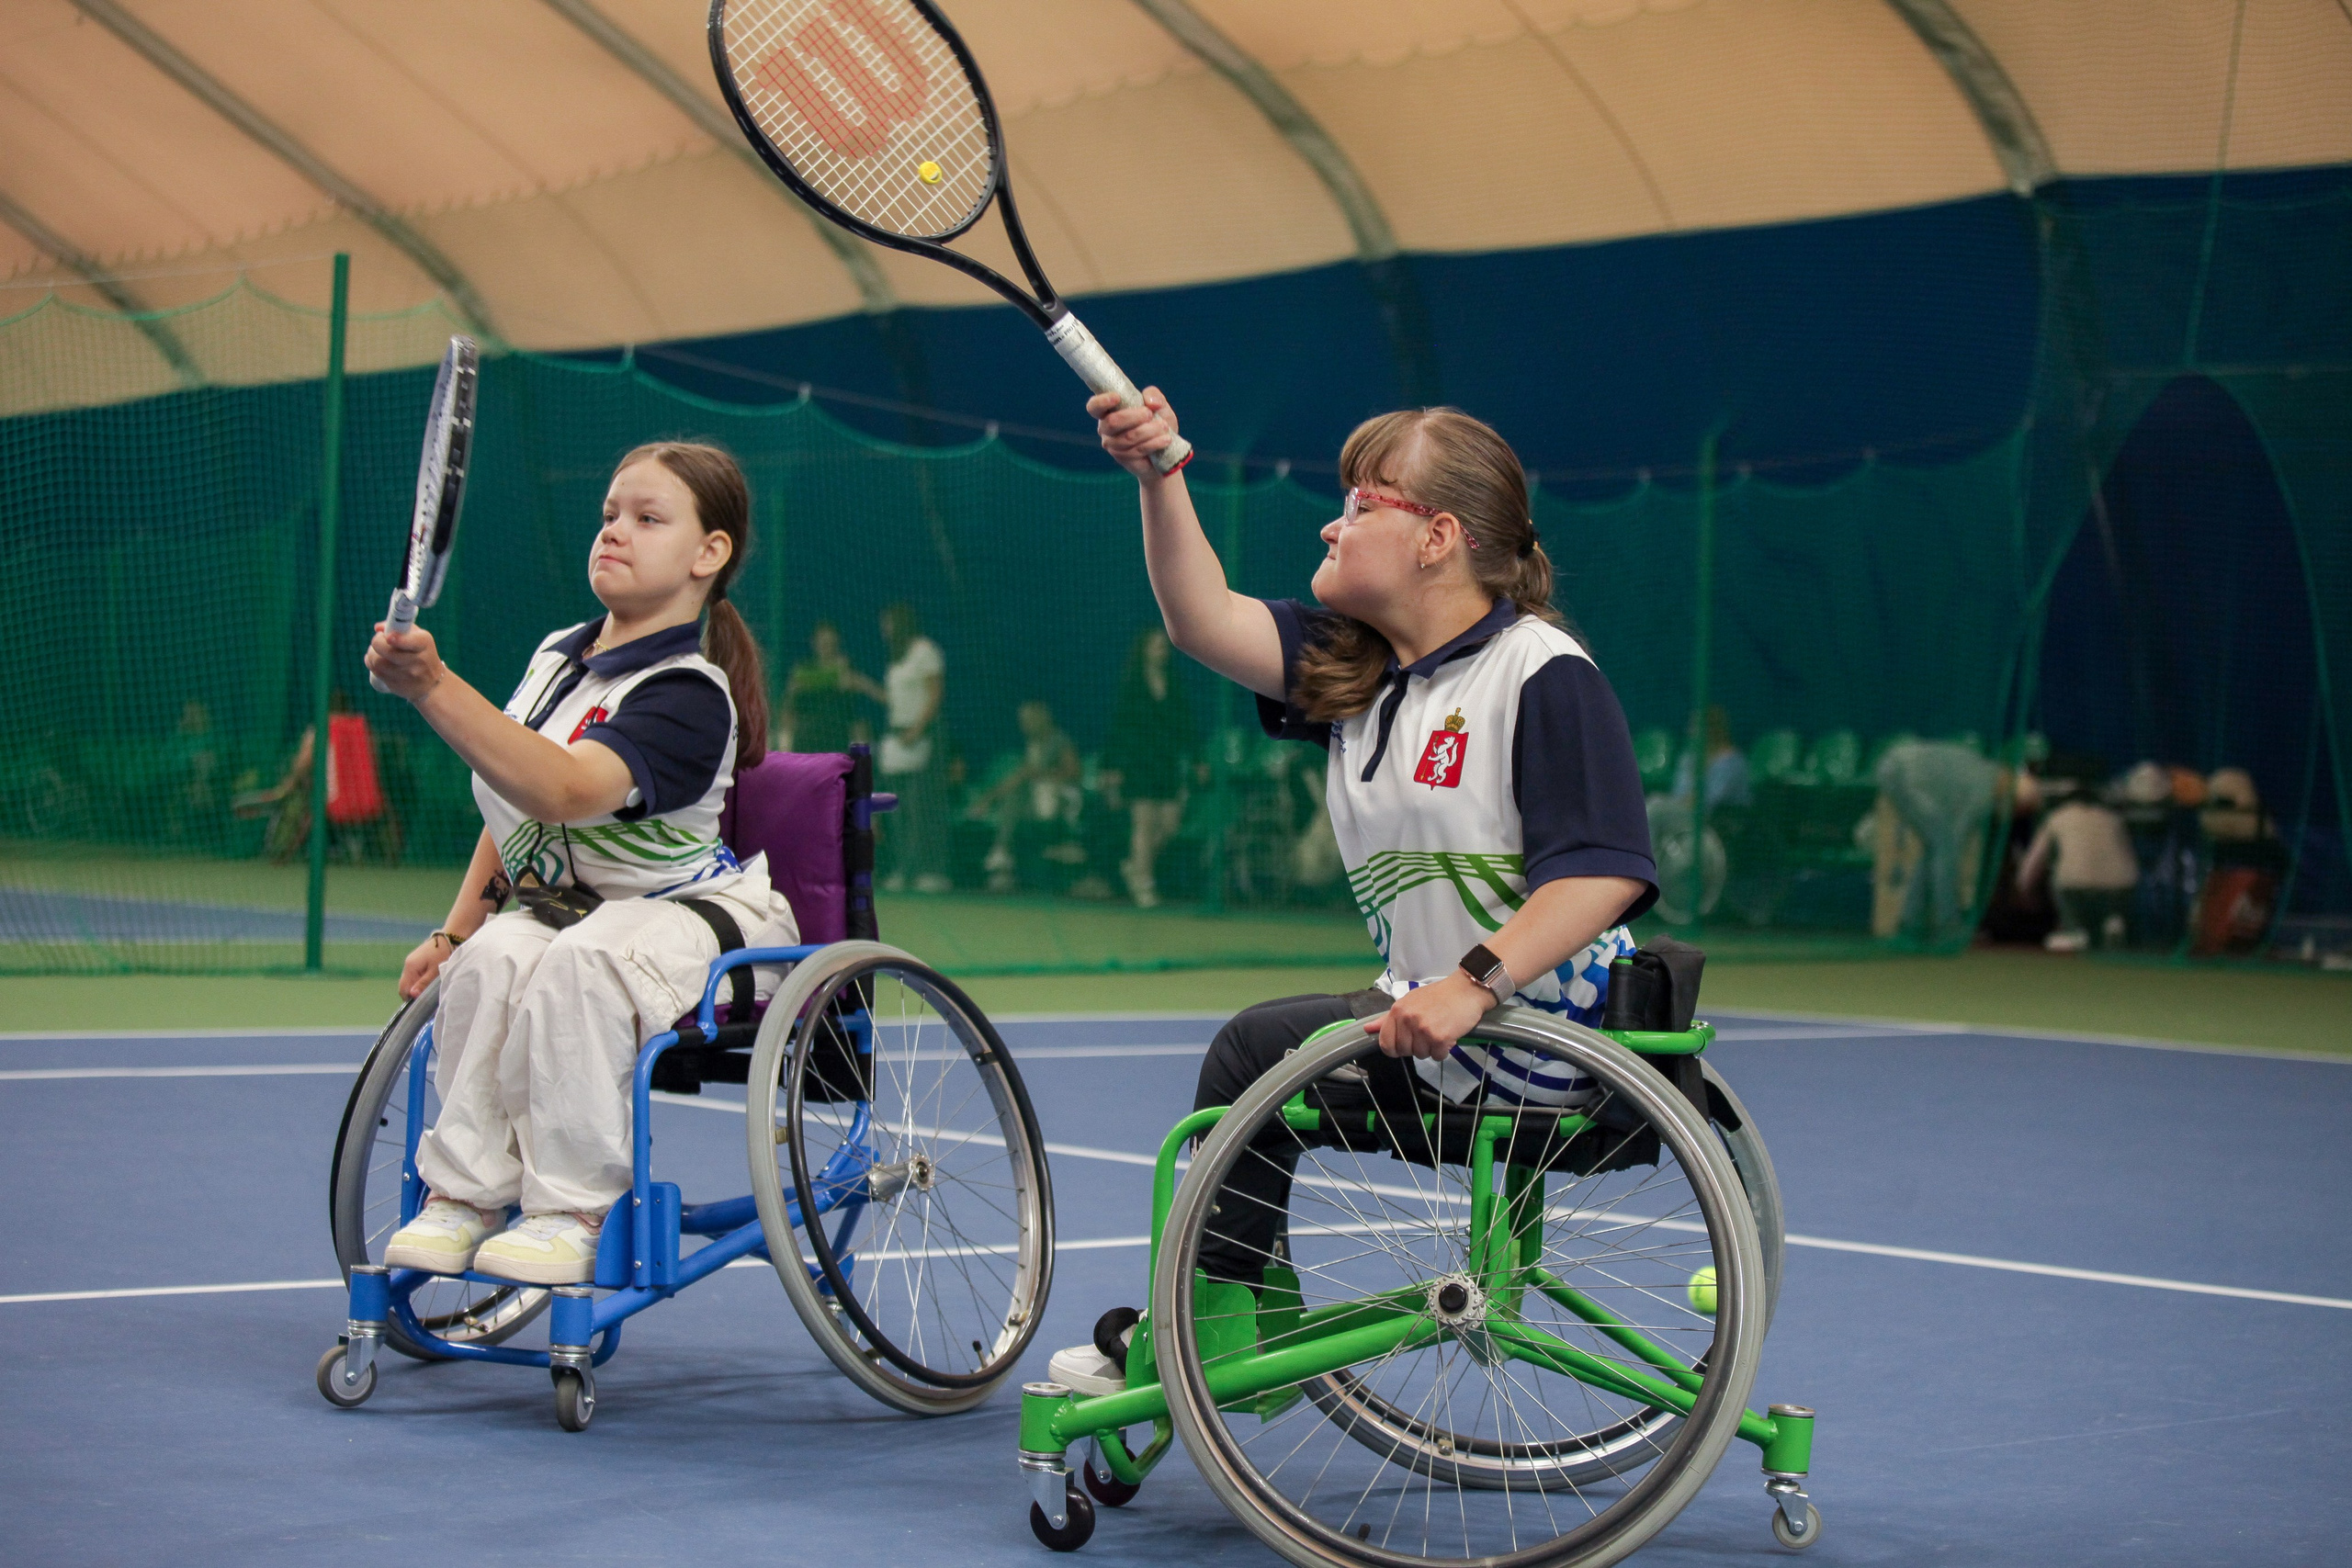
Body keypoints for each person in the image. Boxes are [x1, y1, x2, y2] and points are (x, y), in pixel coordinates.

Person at [1047, 393, 1657, 1395]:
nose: (1331, 523)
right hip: (1447, 1031)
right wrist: (1160, 477)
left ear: (1438, 537)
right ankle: (1223, 1331)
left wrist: (1472, 985)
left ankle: (1208, 1351)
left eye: (1360, 504)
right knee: (1256, 1050)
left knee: (1253, 1054)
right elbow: (1200, 620)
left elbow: (1605, 869)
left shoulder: (1539, 671)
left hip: (1539, 1043)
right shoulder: (1361, 673)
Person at [363, 441, 799, 1287]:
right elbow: (513, 798)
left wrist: (433, 685)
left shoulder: (688, 692)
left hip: (695, 920)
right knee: (493, 958)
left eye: (647, 519)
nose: (614, 533)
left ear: (709, 554)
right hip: (576, 908)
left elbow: (561, 788)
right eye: (608, 516)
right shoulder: (557, 656)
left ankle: (571, 1211)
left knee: (579, 965)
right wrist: (456, 931)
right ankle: (463, 1194)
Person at [1100, 627, 1197, 907]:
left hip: (1165, 763)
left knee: (1169, 824)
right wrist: (1112, 767)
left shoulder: (1174, 685)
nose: (1160, 650)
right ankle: (1144, 885)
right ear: (1143, 650)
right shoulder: (1131, 686)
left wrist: (1196, 759)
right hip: (1138, 763)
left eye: (1162, 646)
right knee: (1143, 824)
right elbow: (1118, 729)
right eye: (1154, 645)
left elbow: (1184, 726)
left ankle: (1135, 866)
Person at [1872, 738, 2001, 947]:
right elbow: (1957, 835)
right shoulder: (1987, 788)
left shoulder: (1982, 768)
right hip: (1907, 774)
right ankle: (1947, 926)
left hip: (1892, 766)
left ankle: (1911, 924)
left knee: (1935, 847)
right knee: (1945, 849)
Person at [969, 699, 1085, 893]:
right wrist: (988, 799)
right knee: (1016, 791)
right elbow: (1021, 776)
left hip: (1062, 796)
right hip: (1036, 798)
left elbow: (1074, 773)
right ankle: (1002, 853)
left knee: (1020, 790)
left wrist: (1041, 776)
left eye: (1027, 719)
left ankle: (1002, 849)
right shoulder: (1033, 745)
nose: (1022, 724)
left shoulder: (1059, 740)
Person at [876, 602, 951, 894]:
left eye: (889, 623)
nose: (885, 630)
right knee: (898, 809)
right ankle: (904, 869)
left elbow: (935, 693)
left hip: (922, 737)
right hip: (897, 738)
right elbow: (895, 700)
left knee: (923, 807)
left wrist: (917, 729)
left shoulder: (925, 651)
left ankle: (931, 870)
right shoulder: (896, 659)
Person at [2018, 776, 2138, 952]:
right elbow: (2128, 855)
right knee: (2110, 905)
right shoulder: (2112, 818)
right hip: (2120, 886)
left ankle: (2075, 931)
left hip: (2075, 886)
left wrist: (2023, 886)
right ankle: (2113, 921)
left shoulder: (2057, 817)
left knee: (2067, 886)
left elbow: (2035, 858)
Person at [778, 620, 866, 753]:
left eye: (831, 643)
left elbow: (858, 718)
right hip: (806, 743)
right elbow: (788, 713)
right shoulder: (802, 670)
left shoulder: (847, 671)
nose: (827, 647)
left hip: (837, 743)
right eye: (823, 643)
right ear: (814, 643)